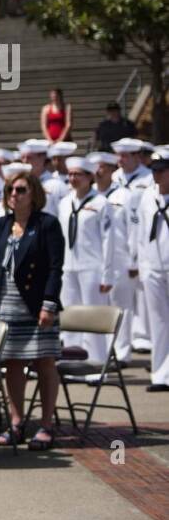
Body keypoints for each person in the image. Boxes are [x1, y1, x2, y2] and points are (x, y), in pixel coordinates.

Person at [0, 172, 65, 450]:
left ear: (34, 193)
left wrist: (49, 304)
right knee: (12, 363)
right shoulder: (1, 224)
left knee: (44, 362)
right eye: (9, 189)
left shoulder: (47, 225)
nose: (14, 194)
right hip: (6, 304)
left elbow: (55, 267)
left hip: (37, 305)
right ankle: (16, 423)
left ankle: (46, 425)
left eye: (20, 189)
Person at [57, 157, 121, 365]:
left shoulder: (101, 203)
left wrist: (107, 274)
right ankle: (72, 359)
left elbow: (108, 241)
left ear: (90, 177)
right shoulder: (65, 202)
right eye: (71, 174)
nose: (73, 178)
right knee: (70, 313)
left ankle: (96, 361)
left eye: (78, 174)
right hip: (68, 266)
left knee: (93, 315)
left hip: (92, 267)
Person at [92, 151, 135, 363]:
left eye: (101, 167)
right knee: (99, 307)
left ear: (110, 170)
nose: (97, 172)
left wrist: (134, 259)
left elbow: (134, 229)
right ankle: (102, 351)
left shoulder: (124, 195)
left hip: (120, 258)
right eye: (95, 168)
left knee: (121, 306)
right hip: (95, 258)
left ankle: (122, 352)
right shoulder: (90, 195)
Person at [133, 153, 169, 391]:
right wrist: (141, 264)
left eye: (162, 170)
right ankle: (160, 374)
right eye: (154, 170)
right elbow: (141, 232)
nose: (156, 175)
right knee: (158, 323)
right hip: (153, 267)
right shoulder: (148, 195)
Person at [16, 139, 64, 216]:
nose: (25, 161)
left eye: (29, 157)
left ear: (42, 157)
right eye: (22, 158)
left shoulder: (56, 185)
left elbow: (63, 214)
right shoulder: (18, 184)